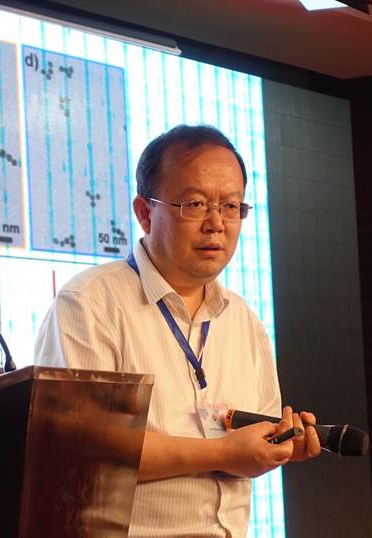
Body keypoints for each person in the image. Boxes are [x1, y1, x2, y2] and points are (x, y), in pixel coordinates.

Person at [35, 124, 320, 537]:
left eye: (231, 206)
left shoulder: (243, 320)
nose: (216, 223)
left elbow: (243, 450)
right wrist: (220, 452)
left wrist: (277, 447)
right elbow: (85, 451)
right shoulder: (90, 303)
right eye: (195, 204)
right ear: (144, 212)